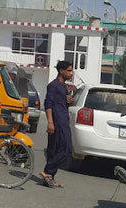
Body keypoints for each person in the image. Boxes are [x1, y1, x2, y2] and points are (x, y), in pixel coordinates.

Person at [41, 60, 75, 188]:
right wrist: (50, 122)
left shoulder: (63, 86)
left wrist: (68, 100)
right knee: (66, 149)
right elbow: (48, 104)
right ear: (62, 71)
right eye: (69, 70)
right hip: (57, 121)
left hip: (63, 120)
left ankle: (49, 177)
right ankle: (47, 171)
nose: (71, 73)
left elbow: (60, 101)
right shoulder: (53, 85)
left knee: (54, 149)